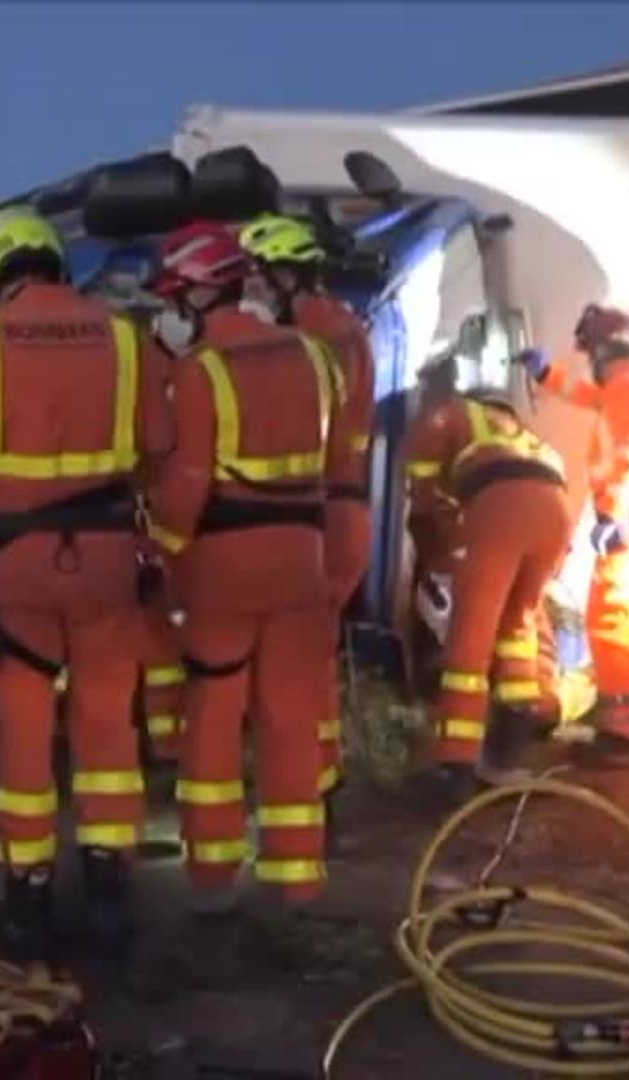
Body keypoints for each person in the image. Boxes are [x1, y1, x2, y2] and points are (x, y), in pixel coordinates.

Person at [0, 206, 173, 960]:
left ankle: (29, 900)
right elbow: (158, 441)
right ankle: (110, 892)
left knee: (22, 729)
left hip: (17, 561)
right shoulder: (126, 336)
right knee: (108, 722)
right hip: (108, 557)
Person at [144, 220, 341, 909]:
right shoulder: (314, 356)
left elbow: (188, 483)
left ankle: (212, 876)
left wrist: (160, 547)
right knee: (291, 714)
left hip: (224, 569)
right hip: (303, 560)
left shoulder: (201, 372)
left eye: (174, 297)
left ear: (198, 293)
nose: (171, 311)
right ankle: (297, 877)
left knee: (215, 715)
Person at [238, 213, 374, 800]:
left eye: (258, 275)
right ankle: (320, 776)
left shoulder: (316, 334)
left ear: (288, 274)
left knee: (298, 658)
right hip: (338, 508)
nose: (251, 288)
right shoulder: (337, 324)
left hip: (326, 511)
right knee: (310, 653)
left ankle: (309, 786)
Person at [401, 352, 571, 801]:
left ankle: (454, 769)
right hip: (556, 516)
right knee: (518, 626)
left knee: (469, 640)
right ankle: (508, 750)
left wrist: (438, 551)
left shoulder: (449, 414)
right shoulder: (529, 437)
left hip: (500, 511)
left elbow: (423, 498)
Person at [524, 304, 629, 747]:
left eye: (591, 353)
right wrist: (546, 373)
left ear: (607, 349)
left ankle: (626, 725)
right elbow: (587, 395)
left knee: (612, 615)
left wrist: (614, 513)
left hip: (628, 516)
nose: (590, 362)